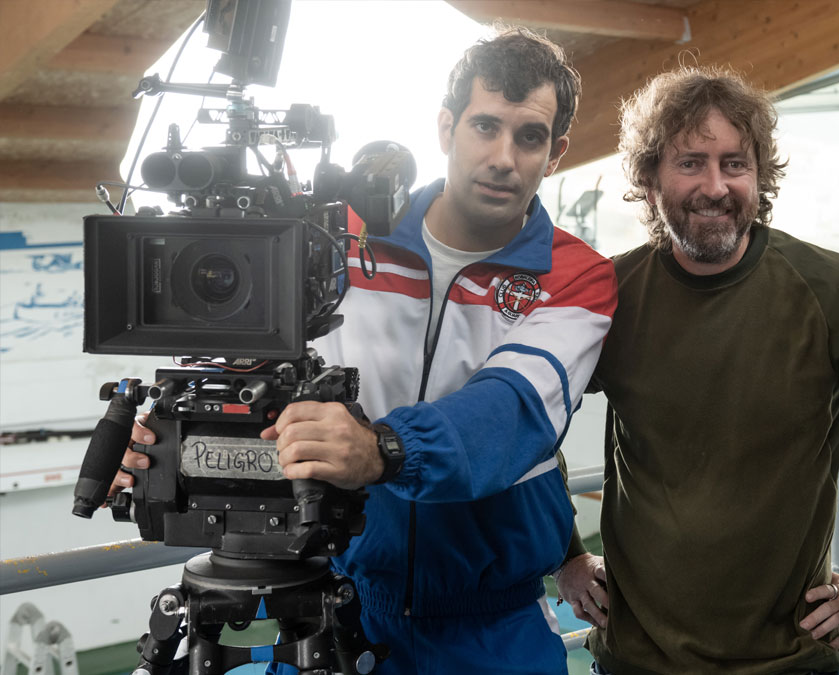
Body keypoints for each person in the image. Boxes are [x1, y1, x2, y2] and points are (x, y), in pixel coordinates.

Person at [113, 27, 618, 675]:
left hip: (493, 624)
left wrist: (382, 450)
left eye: (529, 137)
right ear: (446, 127)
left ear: (555, 152)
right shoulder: (337, 239)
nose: (502, 157)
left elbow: (513, 413)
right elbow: (252, 370)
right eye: (485, 126)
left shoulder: (576, 275)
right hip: (340, 604)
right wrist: (168, 439)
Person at [554, 66, 839, 674]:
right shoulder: (610, 294)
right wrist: (565, 555)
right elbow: (526, 427)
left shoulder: (838, 291)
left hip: (791, 660)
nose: (715, 186)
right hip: (636, 658)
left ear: (759, 176)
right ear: (650, 177)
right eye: (690, 162)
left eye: (734, 163)